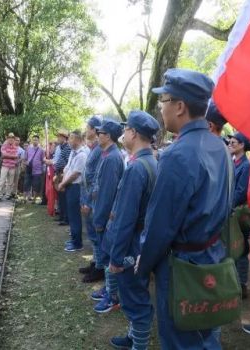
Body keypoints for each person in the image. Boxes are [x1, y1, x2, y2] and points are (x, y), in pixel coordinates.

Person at [137, 69, 230, 349]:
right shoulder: (220, 146)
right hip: (213, 254)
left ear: (180, 107)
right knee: (207, 332)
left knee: (181, 337)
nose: (161, 107)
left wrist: (145, 264)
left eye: (164, 99)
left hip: (182, 265)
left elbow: (161, 224)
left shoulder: (178, 154)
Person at [105, 110, 160, 350]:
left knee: (135, 300)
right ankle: (132, 337)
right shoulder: (151, 162)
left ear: (134, 133)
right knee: (136, 294)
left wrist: (116, 256)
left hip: (132, 244)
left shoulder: (137, 168)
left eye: (126, 129)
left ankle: (138, 344)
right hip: (142, 241)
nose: (124, 133)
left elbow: (125, 219)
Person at [90, 119, 124, 313]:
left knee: (108, 255)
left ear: (108, 136)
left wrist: (100, 220)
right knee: (105, 256)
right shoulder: (107, 154)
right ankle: (109, 289)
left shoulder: (112, 158)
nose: (97, 135)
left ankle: (112, 295)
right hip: (104, 214)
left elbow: (107, 193)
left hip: (107, 217)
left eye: (100, 133)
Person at [79, 116, 105, 283]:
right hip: (87, 196)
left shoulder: (99, 150)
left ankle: (99, 268)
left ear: (95, 130)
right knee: (92, 235)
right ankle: (95, 262)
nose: (86, 130)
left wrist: (88, 202)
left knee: (96, 236)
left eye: (88, 127)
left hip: (92, 200)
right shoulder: (94, 148)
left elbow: (95, 179)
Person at [228, 132, 250, 299]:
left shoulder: (246, 165)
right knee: (232, 246)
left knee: (241, 247)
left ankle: (242, 283)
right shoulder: (233, 163)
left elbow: (240, 192)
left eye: (233, 142)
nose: (230, 143)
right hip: (231, 211)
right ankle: (233, 281)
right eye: (229, 141)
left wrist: (226, 206)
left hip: (239, 213)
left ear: (242, 145)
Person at [58, 130, 87, 252]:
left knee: (75, 216)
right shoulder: (73, 153)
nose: (69, 141)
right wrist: (62, 179)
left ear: (78, 140)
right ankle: (74, 239)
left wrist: (63, 183)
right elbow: (68, 168)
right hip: (69, 185)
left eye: (71, 138)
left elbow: (75, 174)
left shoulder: (82, 155)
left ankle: (77, 243)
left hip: (75, 186)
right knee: (71, 214)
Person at [48, 130, 71, 225]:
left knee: (64, 197)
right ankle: (62, 216)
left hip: (63, 174)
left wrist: (62, 173)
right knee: (61, 197)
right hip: (59, 173)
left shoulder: (68, 148)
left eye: (59, 137)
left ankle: (66, 218)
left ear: (64, 138)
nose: (58, 138)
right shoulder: (62, 147)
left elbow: (68, 162)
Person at [0, 133, 19, 201]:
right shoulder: (4, 145)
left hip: (12, 166)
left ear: (14, 139)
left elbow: (16, 156)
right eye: (10, 137)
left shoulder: (15, 146)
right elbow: (3, 155)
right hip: (5, 166)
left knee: (10, 182)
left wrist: (8, 155)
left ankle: (8, 195)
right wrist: (12, 156)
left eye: (12, 138)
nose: (11, 139)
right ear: (7, 138)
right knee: (2, 181)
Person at [23, 135, 45, 201]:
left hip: (37, 170)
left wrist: (39, 166)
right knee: (26, 183)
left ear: (38, 141)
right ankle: (24, 198)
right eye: (34, 139)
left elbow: (43, 160)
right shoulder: (28, 148)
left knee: (36, 184)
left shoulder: (41, 150)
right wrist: (25, 163)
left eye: (36, 139)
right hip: (29, 169)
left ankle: (34, 199)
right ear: (32, 140)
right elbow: (25, 158)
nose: (35, 141)